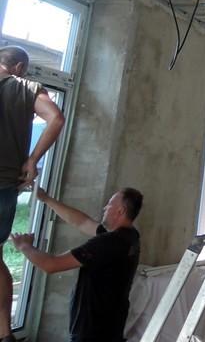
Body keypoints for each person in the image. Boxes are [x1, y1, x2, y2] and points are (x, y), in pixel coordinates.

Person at [10, 187, 143, 342]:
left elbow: (52, 265)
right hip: (110, 328)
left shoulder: (108, 243)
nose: (105, 208)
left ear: (120, 211)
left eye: (109, 204)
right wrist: (46, 199)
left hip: (93, 332)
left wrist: (24, 246)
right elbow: (82, 222)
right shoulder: (130, 236)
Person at [0, 45, 66, 342]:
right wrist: (32, 160)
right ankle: (5, 333)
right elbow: (56, 118)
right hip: (5, 186)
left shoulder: (21, 83)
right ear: (19, 68)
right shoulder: (27, 88)